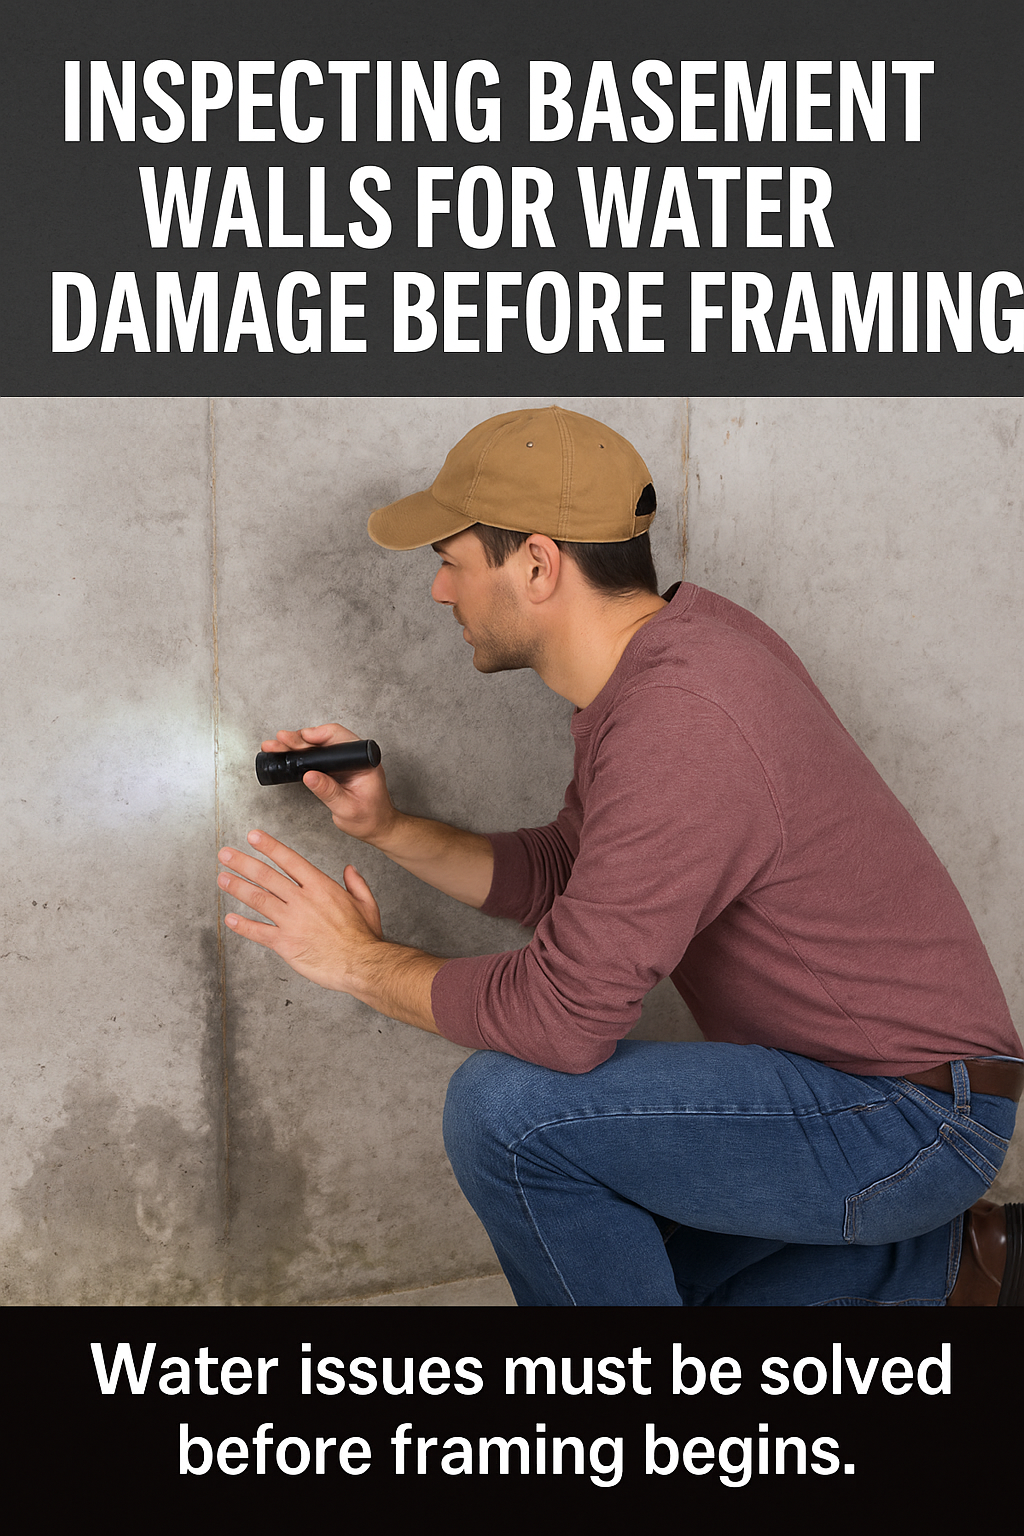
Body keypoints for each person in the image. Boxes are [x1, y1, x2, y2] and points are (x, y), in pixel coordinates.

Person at [217, 404, 1023, 1307]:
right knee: (632, 1273)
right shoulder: (671, 665)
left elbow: (565, 1019)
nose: (440, 592)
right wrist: (388, 828)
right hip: (858, 1095)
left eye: (451, 562)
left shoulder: (685, 718)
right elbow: (572, 872)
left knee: (508, 1115)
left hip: (904, 1120)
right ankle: (957, 1271)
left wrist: (360, 964)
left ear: (536, 563)